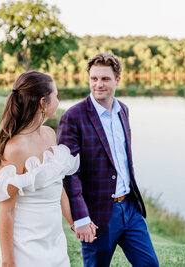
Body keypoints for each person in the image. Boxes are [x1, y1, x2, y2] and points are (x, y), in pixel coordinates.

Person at [0, 71, 94, 267]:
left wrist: (74, 222)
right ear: (43, 102)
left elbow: (57, 186)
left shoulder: (50, 134)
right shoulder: (16, 148)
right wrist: (8, 263)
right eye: (56, 96)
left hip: (54, 244)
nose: (58, 100)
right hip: (26, 248)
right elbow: (5, 210)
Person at [58, 53, 159, 267]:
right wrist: (81, 218)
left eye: (105, 79)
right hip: (98, 214)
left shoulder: (124, 110)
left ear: (117, 80)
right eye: (94, 79)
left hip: (130, 209)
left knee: (149, 264)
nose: (98, 84)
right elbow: (69, 173)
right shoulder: (73, 117)